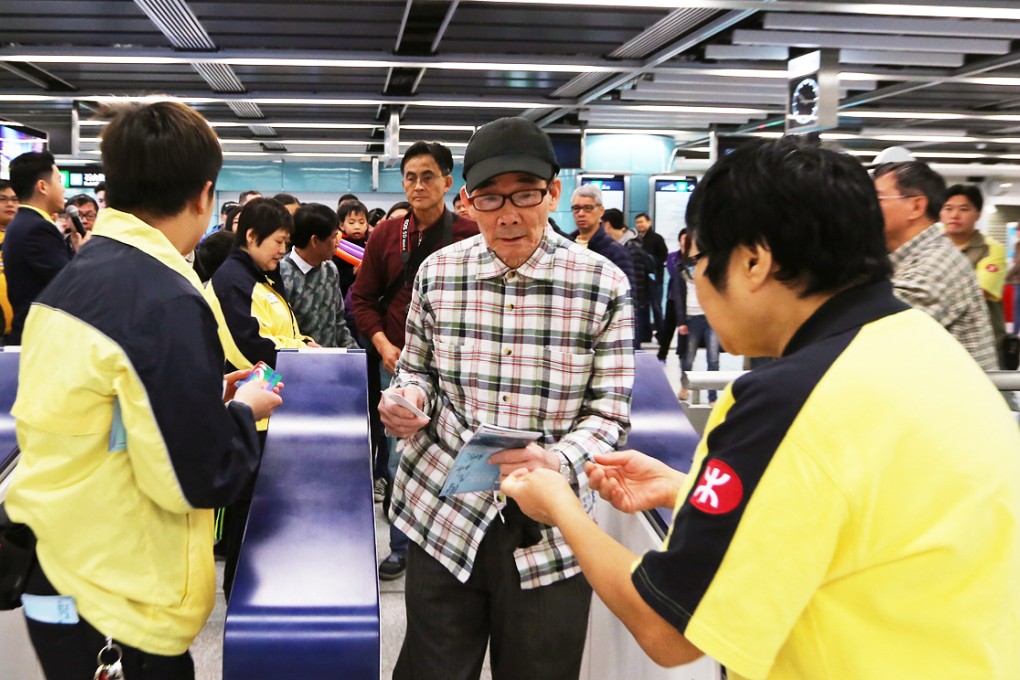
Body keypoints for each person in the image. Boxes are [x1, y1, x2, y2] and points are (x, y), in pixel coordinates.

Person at [501, 137, 1020, 680]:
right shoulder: (927, 347)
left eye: (698, 262)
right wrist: (686, 490)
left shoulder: (788, 399)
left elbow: (669, 627)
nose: (698, 284)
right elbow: (870, 513)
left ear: (753, 261)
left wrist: (561, 506)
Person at [4, 100, 283, 680]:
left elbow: (108, 407)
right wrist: (241, 409)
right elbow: (200, 475)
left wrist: (201, 390)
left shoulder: (75, 280)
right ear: (204, 195)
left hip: (61, 571)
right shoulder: (164, 298)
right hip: (118, 605)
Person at [379, 117, 634, 680]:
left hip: (548, 530)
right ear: (468, 202)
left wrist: (556, 461)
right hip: (443, 514)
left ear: (554, 193)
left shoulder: (603, 285)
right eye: (490, 198)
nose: (508, 214)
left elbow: (609, 414)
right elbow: (417, 368)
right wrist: (408, 397)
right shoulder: (439, 273)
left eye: (525, 194)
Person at [351, 141, 478, 581]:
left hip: (456, 368)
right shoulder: (387, 234)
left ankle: (452, 539)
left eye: (428, 177)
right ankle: (403, 546)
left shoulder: (469, 234)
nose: (418, 185)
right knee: (397, 457)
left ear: (448, 182)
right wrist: (383, 345)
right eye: (410, 177)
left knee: (455, 451)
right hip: (398, 364)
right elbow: (362, 299)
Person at [873, 161, 998, 371]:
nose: (867, 207)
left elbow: (875, 334)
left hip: (958, 391)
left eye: (877, 198)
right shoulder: (906, 256)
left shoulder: (936, 264)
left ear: (916, 206)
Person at [212, 197, 319, 371]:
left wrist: (304, 343)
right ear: (251, 236)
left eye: (286, 243)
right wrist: (302, 354)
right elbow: (252, 350)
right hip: (245, 384)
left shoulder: (265, 276)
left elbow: (281, 332)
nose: (283, 250)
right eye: (278, 242)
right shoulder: (233, 281)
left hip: (271, 382)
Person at [2, 150, 79, 344]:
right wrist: (84, 255)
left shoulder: (22, 223)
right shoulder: (37, 229)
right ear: (42, 186)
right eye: (59, 180)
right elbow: (70, 285)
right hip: (41, 339)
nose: (63, 189)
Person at [941, 184, 1009, 367]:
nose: (954, 215)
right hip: (942, 342)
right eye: (948, 208)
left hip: (983, 345)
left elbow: (978, 294)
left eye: (964, 209)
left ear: (978, 214)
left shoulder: (992, 249)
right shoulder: (932, 246)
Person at [280, 202, 357, 348]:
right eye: (334, 237)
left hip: (332, 357)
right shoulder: (283, 275)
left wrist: (355, 355)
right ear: (315, 241)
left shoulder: (330, 269)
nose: (338, 243)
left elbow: (339, 323)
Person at [568, 185, 634, 291]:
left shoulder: (616, 252)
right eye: (576, 208)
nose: (581, 214)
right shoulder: (567, 245)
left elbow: (628, 294)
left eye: (588, 208)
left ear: (601, 210)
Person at [604, 207, 653, 346]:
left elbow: (636, 282)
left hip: (631, 307)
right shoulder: (618, 246)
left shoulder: (630, 248)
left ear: (607, 225)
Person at [635, 212, 668, 346]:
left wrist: (652, 264)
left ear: (649, 222)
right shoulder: (637, 240)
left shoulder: (656, 238)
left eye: (642, 222)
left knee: (656, 307)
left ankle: (661, 334)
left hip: (655, 279)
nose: (639, 225)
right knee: (643, 307)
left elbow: (663, 256)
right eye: (637, 222)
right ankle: (645, 334)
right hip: (641, 280)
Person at [335, 199, 369, 298]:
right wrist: (353, 274)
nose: (357, 227)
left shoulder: (370, 244)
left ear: (367, 225)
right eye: (351, 222)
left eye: (361, 222)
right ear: (342, 225)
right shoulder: (337, 246)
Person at [0, 179, 18, 336]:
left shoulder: (29, 237)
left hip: (21, 329)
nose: (10, 204)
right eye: (2, 199)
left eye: (15, 199)